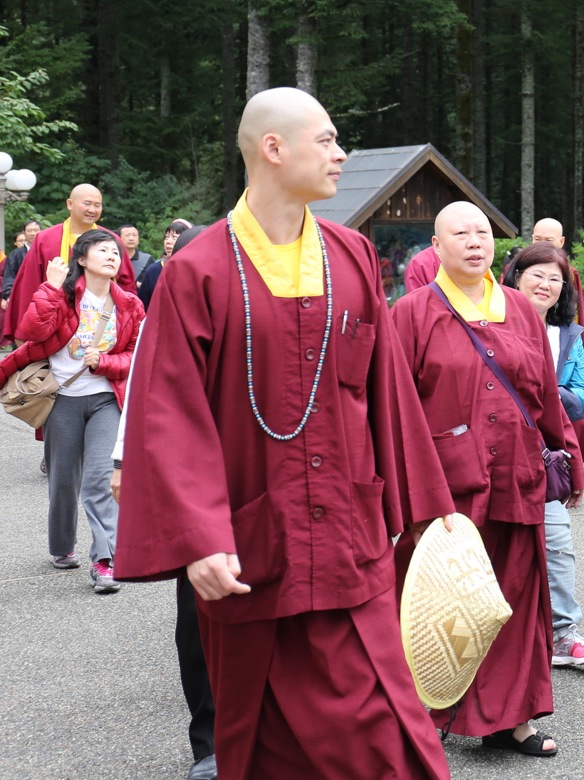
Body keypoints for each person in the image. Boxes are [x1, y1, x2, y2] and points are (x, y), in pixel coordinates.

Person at [112, 87, 454, 780]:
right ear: (273, 148)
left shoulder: (351, 255)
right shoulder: (198, 270)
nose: (341, 154)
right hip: (254, 549)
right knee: (268, 747)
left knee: (386, 736)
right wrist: (199, 537)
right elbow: (168, 415)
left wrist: (426, 514)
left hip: (353, 540)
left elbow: (386, 390)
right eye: (326, 140)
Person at [391, 200, 584, 758]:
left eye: (482, 232)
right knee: (439, 601)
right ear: (436, 246)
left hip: (517, 475)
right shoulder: (412, 313)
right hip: (447, 484)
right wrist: (410, 496)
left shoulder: (520, 308)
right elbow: (397, 408)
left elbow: (543, 392)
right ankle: (422, 715)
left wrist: (568, 455)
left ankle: (511, 719)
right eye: (461, 233)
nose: (475, 242)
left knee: (514, 598)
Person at [110, 226, 216, 780]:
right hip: (197, 483)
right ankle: (210, 743)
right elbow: (143, 392)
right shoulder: (166, 314)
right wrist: (123, 460)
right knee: (198, 614)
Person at [0, 229, 144, 592]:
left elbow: (136, 356)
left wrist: (105, 362)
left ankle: (105, 560)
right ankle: (62, 546)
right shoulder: (63, 296)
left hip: (106, 399)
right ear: (82, 259)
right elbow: (31, 331)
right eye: (103, 250)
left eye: (115, 252)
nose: (112, 256)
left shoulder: (130, 304)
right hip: (62, 399)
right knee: (63, 480)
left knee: (99, 479)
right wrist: (50, 287)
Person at [501, 242, 584, 667]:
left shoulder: (567, 335)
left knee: (558, 544)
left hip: (546, 454)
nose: (546, 284)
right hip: (498, 453)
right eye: (537, 274)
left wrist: (545, 394)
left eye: (555, 278)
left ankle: (563, 634)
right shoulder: (491, 323)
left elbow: (583, 397)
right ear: (516, 277)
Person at [4, 186, 136, 341]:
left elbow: (126, 286)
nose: (92, 210)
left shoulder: (112, 241)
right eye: (87, 203)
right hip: (55, 326)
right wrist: (24, 331)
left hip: (102, 326)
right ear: (70, 204)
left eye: (97, 205)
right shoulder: (46, 240)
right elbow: (29, 284)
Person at [530, 217, 584, 370]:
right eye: (537, 239)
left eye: (549, 240)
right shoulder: (520, 267)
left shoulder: (569, 273)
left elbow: (573, 314)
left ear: (561, 242)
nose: (542, 245)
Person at [136, 219, 192, 309]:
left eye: (174, 237)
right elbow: (142, 307)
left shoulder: (194, 271)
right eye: (166, 237)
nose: (168, 241)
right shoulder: (153, 271)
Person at [2, 219, 42, 312]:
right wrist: (8, 295)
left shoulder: (47, 251)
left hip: (44, 295)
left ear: (41, 231)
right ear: (24, 233)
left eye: (36, 230)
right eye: (29, 230)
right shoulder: (15, 254)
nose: (33, 233)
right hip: (21, 296)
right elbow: (9, 276)